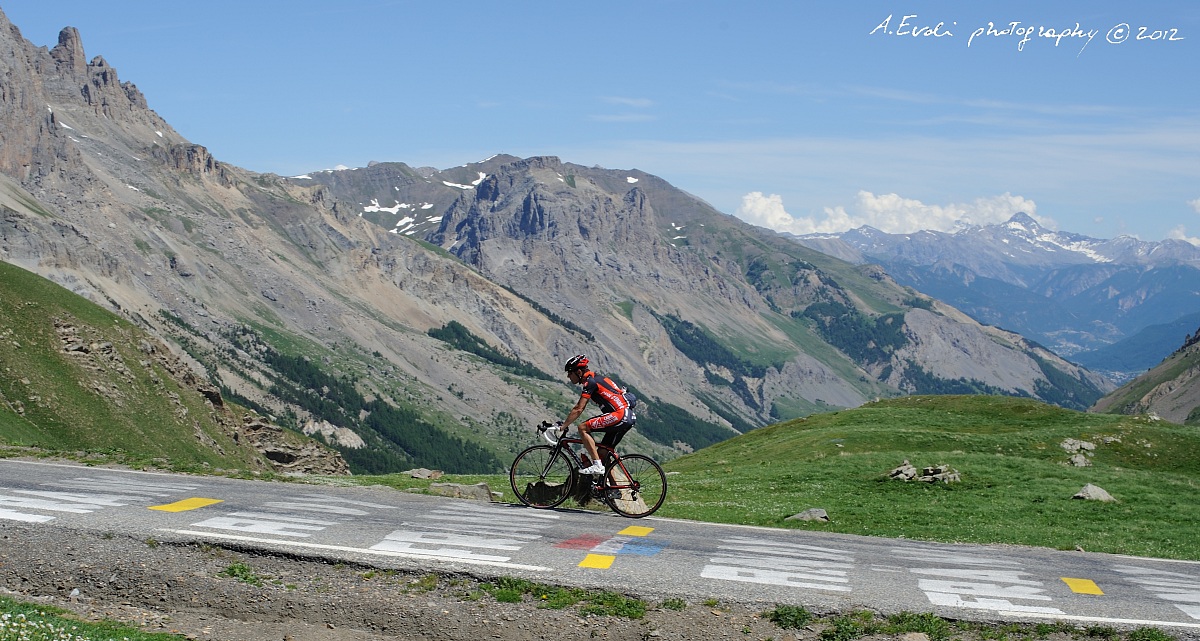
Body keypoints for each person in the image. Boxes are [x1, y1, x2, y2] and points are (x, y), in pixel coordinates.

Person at [559, 355, 634, 475]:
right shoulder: (598, 378)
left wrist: (562, 426)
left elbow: (579, 409)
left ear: (579, 372)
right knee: (602, 454)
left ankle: (597, 465)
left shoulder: (590, 382)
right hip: (628, 416)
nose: (568, 376)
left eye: (570, 372)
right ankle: (611, 485)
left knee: (582, 428)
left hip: (619, 415)